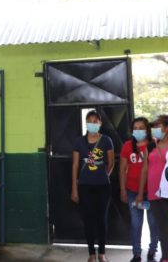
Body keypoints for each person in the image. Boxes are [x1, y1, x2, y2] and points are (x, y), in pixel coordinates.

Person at [71, 110, 114, 262]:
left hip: (103, 186)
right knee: (88, 220)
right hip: (84, 186)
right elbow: (75, 165)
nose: (92, 124)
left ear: (100, 123)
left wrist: (103, 175)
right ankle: (91, 254)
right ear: (86, 123)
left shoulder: (106, 140)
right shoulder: (79, 141)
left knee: (102, 219)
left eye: (95, 121)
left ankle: (102, 253)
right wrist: (74, 189)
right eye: (89, 121)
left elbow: (111, 162)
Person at [119, 117, 158, 262]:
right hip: (132, 192)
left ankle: (152, 250)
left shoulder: (154, 144)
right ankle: (136, 253)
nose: (138, 130)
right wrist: (123, 190)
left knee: (154, 224)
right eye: (135, 128)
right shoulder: (127, 146)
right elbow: (122, 169)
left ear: (147, 130)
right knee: (136, 224)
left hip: (153, 192)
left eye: (141, 128)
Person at [136, 115, 168, 262]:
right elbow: (145, 169)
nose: (155, 129)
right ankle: (165, 257)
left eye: (158, 126)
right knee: (162, 228)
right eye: (154, 126)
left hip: (167, 193)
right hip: (153, 193)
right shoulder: (150, 146)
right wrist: (140, 193)